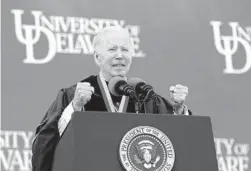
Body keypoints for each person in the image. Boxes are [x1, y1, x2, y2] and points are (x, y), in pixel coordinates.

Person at [31, 26, 191, 171]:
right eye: (112, 49)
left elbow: (174, 144)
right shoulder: (75, 95)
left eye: (125, 50)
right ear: (97, 57)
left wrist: (177, 110)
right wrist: (76, 108)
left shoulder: (145, 96)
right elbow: (45, 143)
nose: (120, 56)